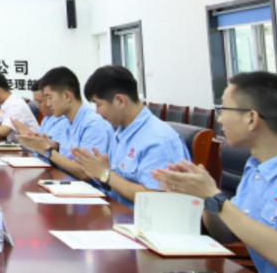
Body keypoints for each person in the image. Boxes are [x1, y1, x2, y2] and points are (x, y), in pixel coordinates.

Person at [151, 72, 277, 273]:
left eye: (223, 110)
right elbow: (226, 234)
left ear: (251, 118)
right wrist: (203, 197)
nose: (219, 119)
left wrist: (214, 196)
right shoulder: (256, 166)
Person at [70, 65, 189, 207]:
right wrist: (98, 173)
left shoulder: (157, 139)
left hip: (143, 220)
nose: (96, 112)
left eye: (98, 104)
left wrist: (105, 174)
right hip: (118, 214)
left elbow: (154, 199)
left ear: (120, 100)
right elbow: (117, 186)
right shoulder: (120, 133)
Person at [16, 67, 113, 180]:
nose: (48, 104)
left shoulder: (93, 123)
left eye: (50, 98)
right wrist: (41, 144)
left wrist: (47, 150)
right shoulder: (66, 122)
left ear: (67, 96)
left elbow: (85, 173)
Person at [33, 79, 69, 148]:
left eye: (40, 101)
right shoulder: (47, 117)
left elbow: (52, 147)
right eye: (36, 102)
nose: (37, 106)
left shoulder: (63, 119)